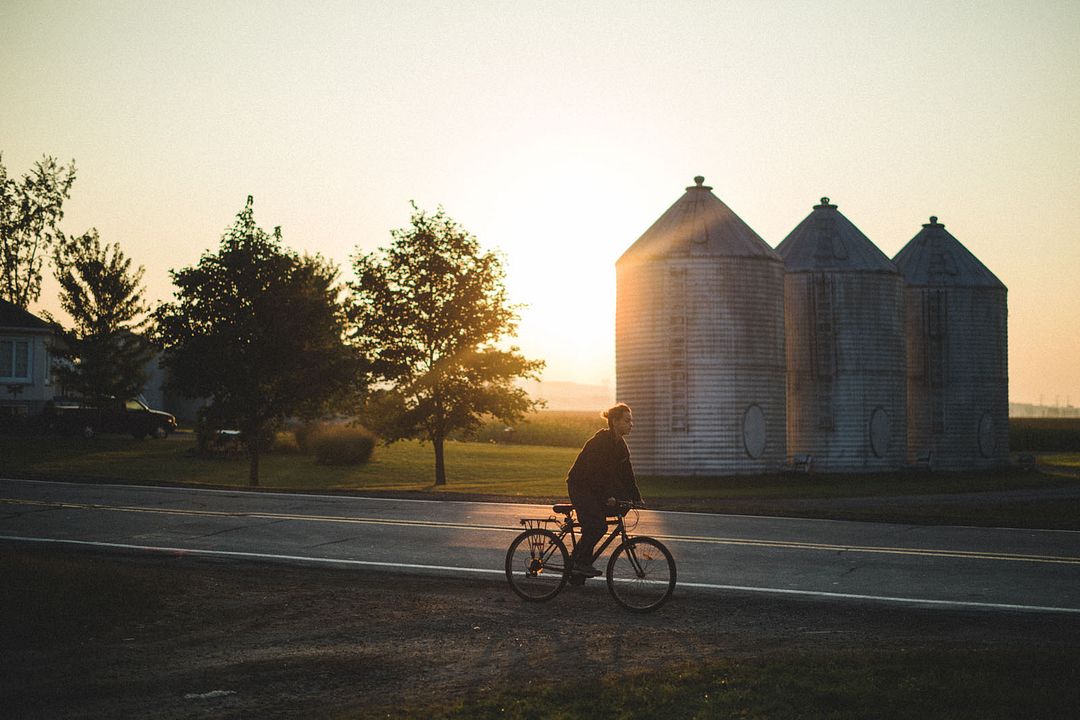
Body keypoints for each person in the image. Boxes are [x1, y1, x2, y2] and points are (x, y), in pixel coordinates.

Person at [565, 402, 644, 577]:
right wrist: (607, 496)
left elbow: (626, 474)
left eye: (631, 421)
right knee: (597, 525)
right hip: (580, 486)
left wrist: (636, 497)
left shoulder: (620, 445)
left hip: (593, 487)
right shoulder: (600, 442)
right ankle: (579, 562)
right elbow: (595, 474)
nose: (631, 424)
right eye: (627, 420)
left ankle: (578, 570)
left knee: (598, 523)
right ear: (614, 421)